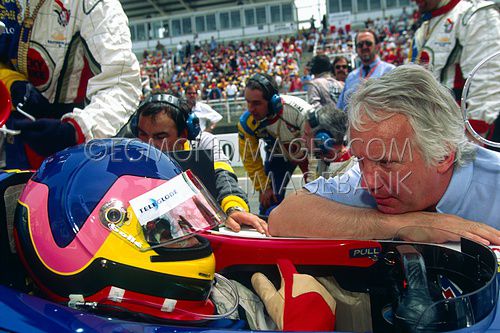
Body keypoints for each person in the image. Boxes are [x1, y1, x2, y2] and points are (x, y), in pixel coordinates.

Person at [269, 64, 500, 245]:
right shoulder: (369, 176)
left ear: (443, 155)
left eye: (387, 162)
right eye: (360, 159)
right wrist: (404, 224)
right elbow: (283, 217)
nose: (368, 183)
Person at [0, 0, 141, 169]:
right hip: (9, 137)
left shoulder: (95, 4)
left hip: (72, 150)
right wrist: (10, 82)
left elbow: (122, 82)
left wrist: (76, 130)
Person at [135, 93, 268, 235]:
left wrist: (234, 209)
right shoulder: (129, 147)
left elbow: (224, 178)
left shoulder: (204, 143)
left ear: (184, 134)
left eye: (160, 137)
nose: (148, 144)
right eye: (142, 134)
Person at [409, 0, 500, 140]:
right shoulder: (426, 25)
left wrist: (474, 134)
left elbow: (488, 83)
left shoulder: (475, 15)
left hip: (466, 135)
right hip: (437, 131)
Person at [238, 73, 314, 215]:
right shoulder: (247, 123)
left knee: (320, 195)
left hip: (308, 154)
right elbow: (250, 159)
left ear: (273, 101)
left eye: (256, 103)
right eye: (248, 102)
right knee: (268, 203)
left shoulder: (300, 112)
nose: (250, 109)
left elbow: (317, 152)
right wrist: (263, 187)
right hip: (277, 156)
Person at [337, 29, 395, 111]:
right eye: (360, 45)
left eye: (368, 43)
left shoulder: (390, 71)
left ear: (377, 46)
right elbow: (340, 108)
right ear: (356, 49)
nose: (364, 47)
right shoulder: (351, 77)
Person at [302, 103, 352, 180]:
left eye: (306, 134)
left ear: (323, 139)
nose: (303, 138)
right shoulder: (324, 160)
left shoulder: (349, 170)